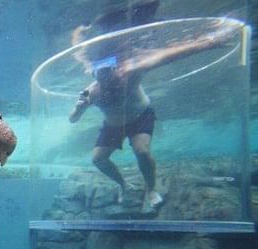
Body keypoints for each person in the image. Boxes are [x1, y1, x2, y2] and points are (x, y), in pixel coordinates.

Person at [68, 0, 235, 209]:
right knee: (98, 160)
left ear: (115, 68)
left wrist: (211, 42)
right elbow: (73, 119)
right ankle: (123, 184)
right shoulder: (92, 92)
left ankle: (151, 188)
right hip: (113, 125)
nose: (110, 77)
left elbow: (170, 55)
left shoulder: (130, 71)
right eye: (101, 73)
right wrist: (79, 107)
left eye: (111, 71)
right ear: (95, 74)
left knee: (142, 152)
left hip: (140, 116)